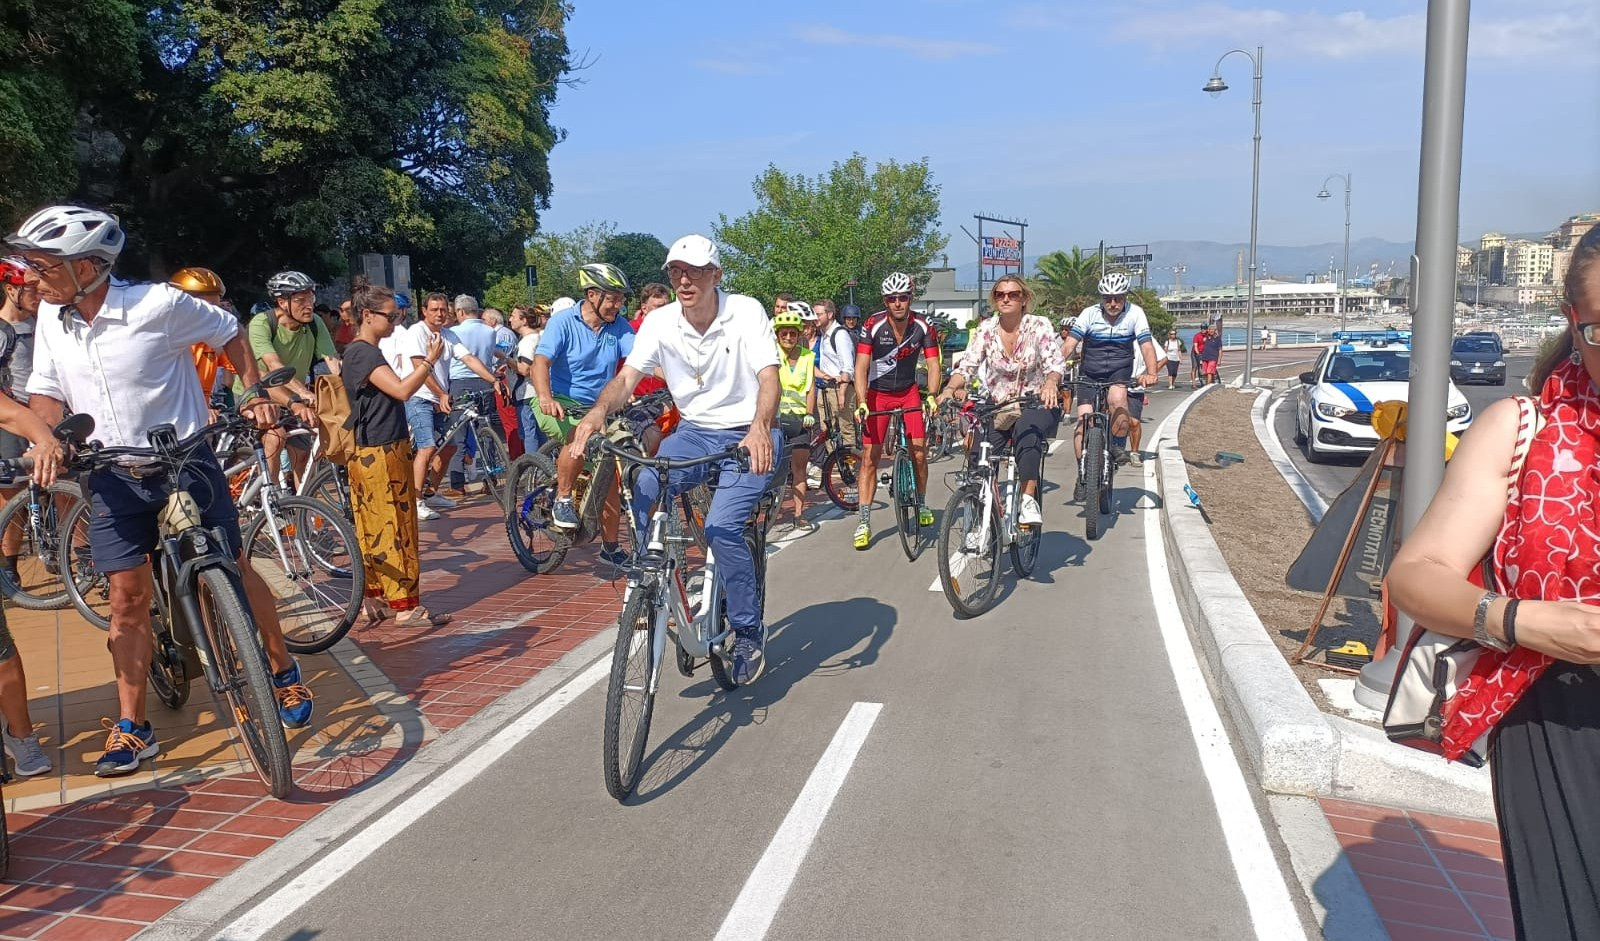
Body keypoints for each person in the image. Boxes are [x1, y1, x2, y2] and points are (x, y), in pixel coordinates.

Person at [10, 205, 313, 777]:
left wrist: (253, 394)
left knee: (236, 566)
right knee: (126, 600)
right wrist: (47, 439)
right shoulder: (52, 319)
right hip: (113, 474)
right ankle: (133, 727)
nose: (33, 277)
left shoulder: (158, 304)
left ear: (90, 267)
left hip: (185, 460)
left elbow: (230, 334)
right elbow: (47, 390)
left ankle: (280, 670)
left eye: (45, 265)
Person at [1385, 225, 1600, 941]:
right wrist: (1526, 623)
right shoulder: (1521, 430)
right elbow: (1415, 575)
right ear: (1574, 322)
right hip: (1555, 724)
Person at [568, 235, 779, 684]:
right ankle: (656, 583)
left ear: (716, 275)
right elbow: (627, 378)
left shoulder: (746, 311)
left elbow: (768, 378)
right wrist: (595, 416)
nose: (684, 280)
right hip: (695, 433)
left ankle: (747, 630)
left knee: (722, 528)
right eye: (676, 272)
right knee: (644, 483)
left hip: (746, 432)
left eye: (695, 271)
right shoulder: (661, 321)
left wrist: (760, 426)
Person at [340, 284, 451, 628]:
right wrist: (429, 362)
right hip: (378, 451)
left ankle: (375, 600)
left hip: (377, 448)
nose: (394, 322)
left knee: (375, 527)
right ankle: (403, 607)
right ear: (368, 316)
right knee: (392, 528)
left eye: (398, 315)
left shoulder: (364, 351)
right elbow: (402, 390)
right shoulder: (363, 353)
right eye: (389, 316)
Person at [535, 262, 636, 566]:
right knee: (578, 436)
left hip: (598, 407)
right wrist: (545, 396)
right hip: (561, 401)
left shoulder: (619, 326)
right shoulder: (563, 322)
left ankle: (610, 547)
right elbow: (540, 362)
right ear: (592, 294)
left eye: (621, 299)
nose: (617, 305)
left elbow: (640, 359)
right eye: (612, 298)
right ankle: (563, 498)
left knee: (610, 472)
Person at [941, 276, 1064, 526]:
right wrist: (949, 388)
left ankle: (1028, 499)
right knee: (978, 451)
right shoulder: (987, 329)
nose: (1006, 298)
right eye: (1000, 294)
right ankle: (980, 515)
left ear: (1024, 299)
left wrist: (1051, 382)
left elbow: (1055, 362)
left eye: (1013, 294)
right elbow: (968, 365)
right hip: (998, 404)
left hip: (1035, 401)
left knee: (1025, 435)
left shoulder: (1039, 325)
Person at [0, 258, 53, 777]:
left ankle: (21, 737)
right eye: (29, 287)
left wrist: (46, 437)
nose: (38, 293)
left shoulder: (37, 328)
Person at [851, 272, 941, 550]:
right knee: (869, 458)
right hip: (878, 394)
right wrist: (861, 401)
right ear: (885, 301)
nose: (898, 303)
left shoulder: (923, 326)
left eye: (903, 298)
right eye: (893, 299)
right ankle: (864, 522)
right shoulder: (873, 325)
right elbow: (861, 367)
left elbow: (934, 364)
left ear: (910, 299)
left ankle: (922, 502)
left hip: (908, 391)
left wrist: (933, 395)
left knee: (919, 450)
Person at [397, 293, 503, 520]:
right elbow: (419, 367)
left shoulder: (449, 334)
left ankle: (431, 491)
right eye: (434, 309)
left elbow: (470, 359)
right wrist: (441, 394)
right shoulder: (417, 332)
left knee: (450, 447)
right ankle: (415, 501)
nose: (439, 314)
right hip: (419, 396)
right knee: (427, 448)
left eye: (443, 310)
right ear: (424, 311)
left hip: (439, 398)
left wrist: (493, 380)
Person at [1061, 272, 1157, 499]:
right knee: (1083, 422)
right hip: (1090, 371)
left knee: (1117, 400)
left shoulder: (1136, 314)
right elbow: (1068, 346)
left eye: (1118, 298)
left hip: (1119, 370)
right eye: (1108, 298)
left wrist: (1151, 372)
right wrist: (1053, 372)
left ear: (1125, 297)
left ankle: (1116, 446)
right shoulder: (1089, 314)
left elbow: (1146, 346)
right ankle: (1083, 472)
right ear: (1101, 298)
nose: (1113, 303)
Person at [238, 270, 338, 485]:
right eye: (301, 300)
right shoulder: (261, 323)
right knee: (277, 437)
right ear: (282, 302)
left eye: (311, 298)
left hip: (291, 395)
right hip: (258, 393)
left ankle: (304, 507)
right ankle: (272, 496)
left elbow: (333, 362)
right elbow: (274, 367)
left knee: (304, 452)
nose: (309, 305)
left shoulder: (315, 323)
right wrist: (303, 393)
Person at [445, 294, 505, 492]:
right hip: (485, 381)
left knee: (458, 433)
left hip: (460, 383)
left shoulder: (452, 331)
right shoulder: (490, 331)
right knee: (486, 429)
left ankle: (457, 483)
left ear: (460, 312)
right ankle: (491, 479)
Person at [773, 310, 817, 529]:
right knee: (767, 467)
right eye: (784, 334)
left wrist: (809, 413)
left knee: (799, 468)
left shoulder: (807, 357)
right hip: (776, 418)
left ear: (799, 334)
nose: (788, 338)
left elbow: (810, 388)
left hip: (799, 419)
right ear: (778, 335)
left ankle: (799, 514)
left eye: (792, 333)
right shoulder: (771, 354)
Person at [169, 268, 236, 402]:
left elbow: (240, 371)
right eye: (204, 309)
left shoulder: (211, 339)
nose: (211, 316)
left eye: (216, 309)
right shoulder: (165, 340)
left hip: (203, 411)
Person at [1120, 329, 1168, 465]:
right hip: (1114, 383)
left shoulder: (1145, 339)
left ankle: (1134, 453)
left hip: (1135, 386)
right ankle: (1112, 450)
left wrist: (1148, 374)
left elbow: (1163, 358)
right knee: (1114, 420)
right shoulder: (1115, 334)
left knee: (1134, 422)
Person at [630, 283, 672, 397]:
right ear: (644, 308)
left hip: (665, 400)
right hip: (634, 401)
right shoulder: (629, 331)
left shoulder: (673, 331)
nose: (665, 311)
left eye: (667, 306)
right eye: (659, 307)